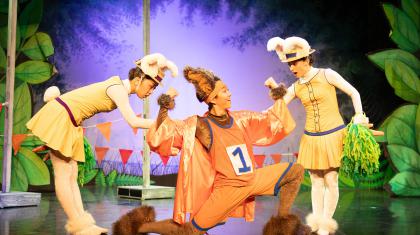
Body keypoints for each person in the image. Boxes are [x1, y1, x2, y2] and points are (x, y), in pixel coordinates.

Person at [113, 66, 309, 235]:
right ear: (213, 98)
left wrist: (278, 97)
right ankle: (139, 228)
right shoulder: (200, 125)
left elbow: (273, 121)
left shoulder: (241, 119)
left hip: (253, 179)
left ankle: (282, 224)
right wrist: (165, 105)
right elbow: (164, 134)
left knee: (295, 171)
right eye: (224, 91)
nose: (230, 93)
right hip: (229, 188)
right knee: (190, 230)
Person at [26, 53, 178, 235]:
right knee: (63, 174)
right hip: (61, 115)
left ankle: (83, 225)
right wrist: (166, 123)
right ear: (138, 79)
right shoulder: (118, 89)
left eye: (154, 88)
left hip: (71, 121)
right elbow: (133, 121)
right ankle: (78, 227)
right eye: (150, 86)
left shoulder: (120, 88)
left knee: (71, 173)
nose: (150, 91)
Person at [267, 36, 369, 235]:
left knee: (331, 180)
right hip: (311, 137)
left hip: (333, 134)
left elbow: (354, 93)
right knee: (315, 180)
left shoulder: (327, 74)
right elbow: (278, 107)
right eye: (289, 64)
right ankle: (316, 222)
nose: (292, 68)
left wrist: (358, 116)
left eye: (295, 63)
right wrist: (258, 116)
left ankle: (326, 224)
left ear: (306, 59)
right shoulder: (296, 87)